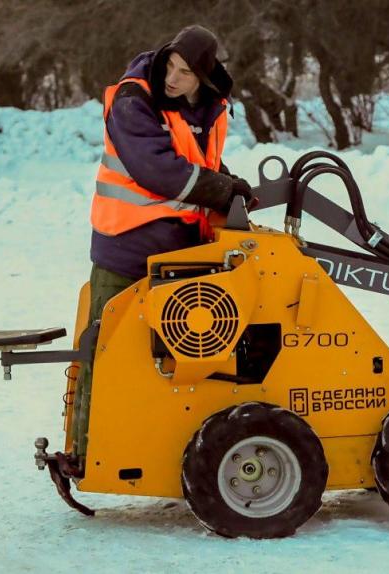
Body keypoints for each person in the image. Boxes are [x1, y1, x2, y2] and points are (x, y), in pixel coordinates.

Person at [70, 25, 253, 469]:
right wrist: (222, 190)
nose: (172, 78)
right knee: (106, 351)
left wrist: (231, 184)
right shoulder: (136, 100)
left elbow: (197, 163)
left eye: (185, 73)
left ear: (203, 78)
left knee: (182, 359)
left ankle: (164, 457)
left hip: (180, 253)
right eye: (170, 66)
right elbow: (160, 171)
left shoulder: (206, 109)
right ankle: (85, 452)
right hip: (127, 250)